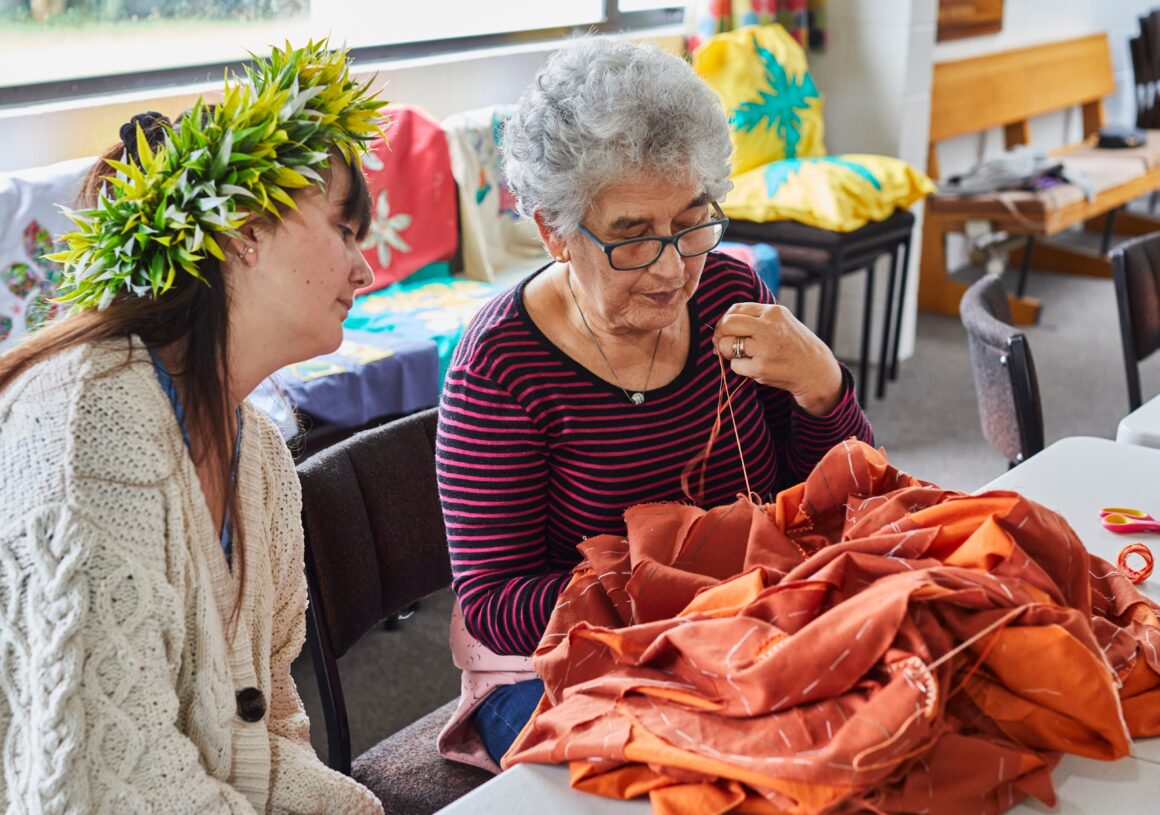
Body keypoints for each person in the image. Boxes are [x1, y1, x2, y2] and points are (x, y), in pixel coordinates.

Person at [435, 36, 874, 769]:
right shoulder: (501, 368)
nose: (674, 269)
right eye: (633, 238)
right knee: (738, 765)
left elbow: (838, 500)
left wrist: (821, 383)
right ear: (555, 231)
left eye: (691, 223)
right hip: (564, 667)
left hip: (744, 617)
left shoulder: (730, 291)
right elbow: (493, 604)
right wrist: (677, 590)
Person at [0, 42, 385, 814]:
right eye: (345, 230)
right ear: (245, 227)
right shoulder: (93, 429)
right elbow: (101, 787)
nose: (363, 267)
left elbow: (272, 729)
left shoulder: (263, 460)